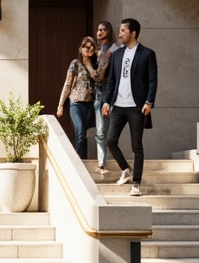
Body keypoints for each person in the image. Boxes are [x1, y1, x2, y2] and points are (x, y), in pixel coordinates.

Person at [100, 18, 157, 197]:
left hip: (137, 107)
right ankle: (126, 169)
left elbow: (152, 80)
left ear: (133, 33)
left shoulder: (147, 53)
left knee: (136, 146)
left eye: (123, 30)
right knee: (110, 140)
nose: (119, 33)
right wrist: (107, 101)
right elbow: (112, 81)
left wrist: (149, 102)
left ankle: (136, 184)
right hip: (118, 105)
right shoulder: (117, 55)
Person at [56, 36, 104, 159]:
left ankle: (82, 159)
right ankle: (77, 162)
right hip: (76, 104)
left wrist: (89, 64)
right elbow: (67, 84)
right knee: (80, 133)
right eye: (87, 47)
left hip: (89, 105)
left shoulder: (94, 64)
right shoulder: (75, 63)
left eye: (92, 47)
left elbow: (97, 78)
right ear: (81, 48)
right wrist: (60, 104)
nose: (89, 49)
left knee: (84, 135)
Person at [91, 20, 119, 177]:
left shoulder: (110, 50)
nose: (99, 32)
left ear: (109, 31)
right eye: (98, 29)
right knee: (101, 131)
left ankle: (103, 164)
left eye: (102, 30)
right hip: (101, 93)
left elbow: (99, 75)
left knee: (103, 132)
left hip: (107, 94)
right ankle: (102, 164)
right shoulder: (100, 50)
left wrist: (88, 65)